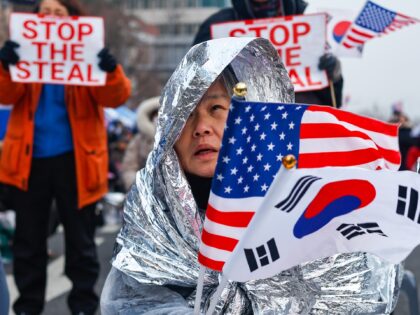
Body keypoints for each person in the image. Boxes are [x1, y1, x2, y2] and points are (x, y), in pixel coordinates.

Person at [100, 37, 401, 314]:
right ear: (169, 134)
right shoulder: (153, 215)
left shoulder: (304, 202)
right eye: (187, 113)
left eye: (216, 108)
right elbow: (131, 302)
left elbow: (353, 296)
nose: (201, 126)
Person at [0, 0, 131, 314]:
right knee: (28, 242)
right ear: (35, 21)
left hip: (77, 162)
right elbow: (5, 96)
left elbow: (117, 96)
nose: (51, 18)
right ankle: (28, 307)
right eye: (45, 13)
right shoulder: (22, 57)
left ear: (72, 20)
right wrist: (5, 67)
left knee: (80, 242)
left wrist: (110, 69)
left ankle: (84, 306)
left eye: (58, 13)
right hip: (29, 163)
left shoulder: (87, 57)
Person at [192, 0, 344, 108]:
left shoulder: (311, 20)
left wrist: (333, 76)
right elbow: (194, 84)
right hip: (243, 127)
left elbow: (331, 100)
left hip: (300, 126)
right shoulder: (216, 27)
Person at [120, 96, 159, 191]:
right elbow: (129, 167)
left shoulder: (179, 138)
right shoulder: (139, 140)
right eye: (156, 115)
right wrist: (140, 187)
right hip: (144, 191)